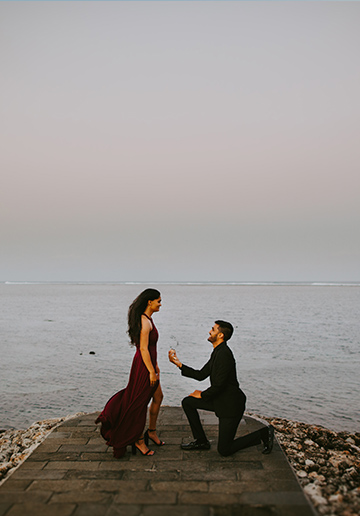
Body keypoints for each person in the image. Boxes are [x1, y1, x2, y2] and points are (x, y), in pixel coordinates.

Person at [168, 320, 274, 456]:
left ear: (220, 336)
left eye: (213, 329)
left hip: (231, 405)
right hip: (219, 400)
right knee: (188, 402)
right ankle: (201, 441)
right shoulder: (217, 352)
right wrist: (179, 364)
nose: (209, 331)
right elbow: (201, 375)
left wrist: (202, 394)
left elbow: (219, 385)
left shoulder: (224, 355)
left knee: (224, 450)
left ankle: (263, 434)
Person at [95, 288, 165, 458]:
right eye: (158, 301)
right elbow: (142, 348)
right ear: (150, 302)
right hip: (143, 367)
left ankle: (152, 432)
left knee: (158, 397)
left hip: (149, 365)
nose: (160, 304)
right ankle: (139, 440)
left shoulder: (148, 319)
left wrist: (155, 367)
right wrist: (150, 371)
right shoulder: (144, 322)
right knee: (139, 404)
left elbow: (150, 348)